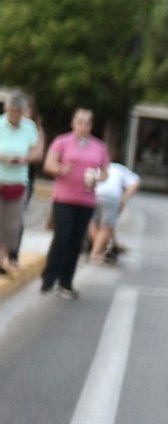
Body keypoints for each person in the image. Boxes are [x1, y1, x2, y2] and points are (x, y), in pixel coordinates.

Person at [39, 107, 108, 299]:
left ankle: (66, 281)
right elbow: (48, 165)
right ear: (73, 123)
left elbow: (105, 172)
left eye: (87, 122)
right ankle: (49, 277)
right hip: (64, 198)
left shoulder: (99, 147)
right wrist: (61, 169)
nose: (83, 126)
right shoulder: (62, 141)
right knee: (63, 236)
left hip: (86, 199)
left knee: (76, 241)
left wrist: (97, 178)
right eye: (79, 121)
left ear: (91, 125)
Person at [0, 93, 43, 278]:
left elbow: (36, 152)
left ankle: (1, 258)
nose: (15, 115)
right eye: (12, 111)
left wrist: (24, 159)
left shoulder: (29, 127)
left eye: (18, 112)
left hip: (18, 181)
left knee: (11, 225)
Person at [88, 142, 140, 265]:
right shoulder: (119, 168)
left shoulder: (95, 168)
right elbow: (135, 183)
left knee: (93, 223)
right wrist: (124, 199)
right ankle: (96, 252)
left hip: (95, 194)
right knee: (107, 226)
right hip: (111, 197)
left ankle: (101, 248)